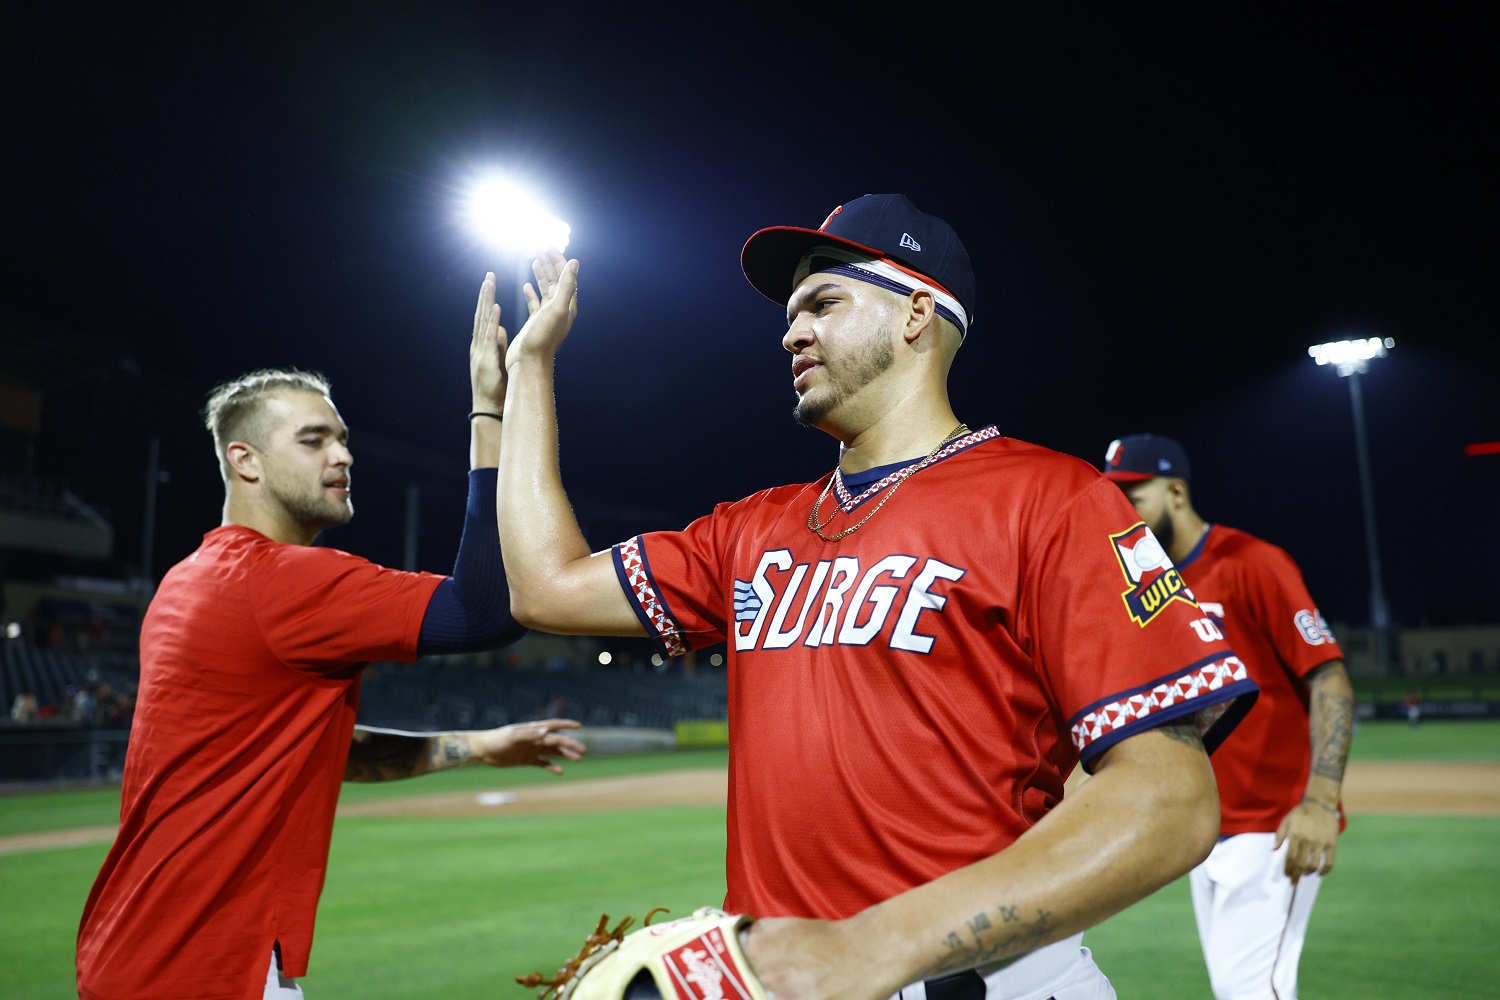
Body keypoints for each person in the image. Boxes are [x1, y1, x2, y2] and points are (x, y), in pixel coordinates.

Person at [492, 194, 1260, 1000]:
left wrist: (872, 945)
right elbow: (544, 588)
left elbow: (1170, 797)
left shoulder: (1052, 498)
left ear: (916, 313)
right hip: (786, 977)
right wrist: (529, 368)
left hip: (981, 979)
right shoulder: (751, 529)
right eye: (790, 314)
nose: (792, 332)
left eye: (824, 302)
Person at [76, 271, 587, 1000]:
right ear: (242, 459)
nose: (343, 456)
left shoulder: (187, 579)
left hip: (136, 953)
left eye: (343, 439)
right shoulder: (280, 582)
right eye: (313, 441)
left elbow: (319, 752)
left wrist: (477, 745)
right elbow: (488, 609)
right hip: (206, 969)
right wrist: (489, 407)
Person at [1100, 432, 1354, 1000]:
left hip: (1272, 828)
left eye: (1134, 496)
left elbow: (1330, 681)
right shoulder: (1151, 587)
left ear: (1177, 493)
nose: (1124, 511)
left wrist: (1319, 801)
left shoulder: (1252, 563)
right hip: (1205, 827)